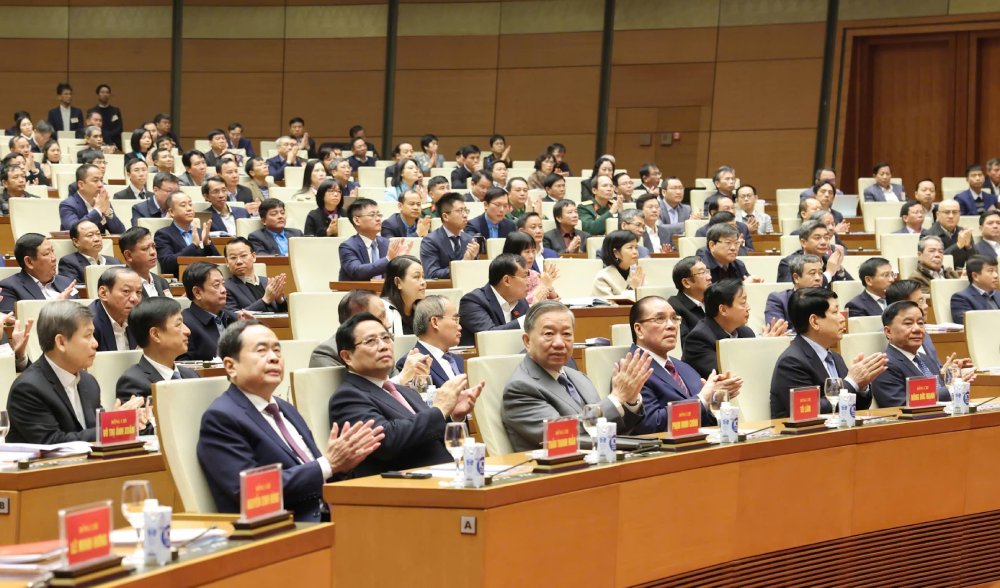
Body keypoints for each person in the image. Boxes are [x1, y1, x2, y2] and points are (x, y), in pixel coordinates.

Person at [198, 320, 384, 521]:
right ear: (230, 366)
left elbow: (317, 472)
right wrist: (328, 465)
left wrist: (342, 468)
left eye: (277, 350)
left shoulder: (285, 408)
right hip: (287, 527)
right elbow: (251, 493)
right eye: (261, 351)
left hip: (333, 514)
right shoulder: (222, 418)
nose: (274, 358)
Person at [327, 312, 481, 477]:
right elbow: (387, 441)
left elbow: (426, 431)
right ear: (347, 356)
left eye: (386, 338)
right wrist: (440, 410)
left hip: (447, 474)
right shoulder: (348, 397)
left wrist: (452, 415)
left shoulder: (404, 390)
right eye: (371, 341)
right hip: (405, 484)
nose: (384, 346)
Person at [502, 301, 650, 452]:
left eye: (566, 334)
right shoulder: (520, 388)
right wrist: (616, 399)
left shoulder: (579, 377)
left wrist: (629, 400)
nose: (559, 343)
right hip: (561, 465)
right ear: (527, 341)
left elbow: (608, 428)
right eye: (549, 334)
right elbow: (561, 435)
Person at [6, 301, 146, 444]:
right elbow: (52, 442)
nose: (95, 343)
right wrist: (110, 427)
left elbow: (95, 431)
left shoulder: (89, 382)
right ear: (61, 342)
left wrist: (120, 421)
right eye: (88, 336)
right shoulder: (28, 388)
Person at [769, 288, 887, 419]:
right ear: (814, 321)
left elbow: (857, 409)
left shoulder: (835, 357)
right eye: (835, 312)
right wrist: (852, 382)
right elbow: (809, 411)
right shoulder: (792, 362)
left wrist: (861, 386)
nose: (842, 318)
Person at [628, 296, 741, 432]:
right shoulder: (631, 372)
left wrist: (715, 400)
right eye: (660, 319)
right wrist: (702, 399)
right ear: (639, 330)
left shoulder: (685, 368)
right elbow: (651, 424)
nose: (671, 325)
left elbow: (705, 421)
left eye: (674, 318)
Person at [870, 301, 971, 408]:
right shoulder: (884, 365)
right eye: (908, 323)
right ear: (888, 332)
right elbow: (900, 406)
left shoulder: (926, 359)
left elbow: (938, 390)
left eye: (920, 323)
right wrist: (952, 388)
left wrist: (950, 378)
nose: (917, 329)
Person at [683, 279, 787, 379]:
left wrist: (768, 346)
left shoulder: (746, 332)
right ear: (723, 310)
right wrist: (761, 348)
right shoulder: (698, 339)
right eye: (743, 303)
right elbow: (729, 375)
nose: (748, 307)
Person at [115, 297, 199, 403]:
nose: (188, 331)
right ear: (155, 334)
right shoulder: (133, 383)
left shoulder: (191, 375)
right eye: (178, 324)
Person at [457, 254, 531, 346]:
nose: (529, 282)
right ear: (506, 280)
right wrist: (527, 320)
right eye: (524, 277)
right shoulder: (472, 301)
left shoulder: (521, 302)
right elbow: (489, 336)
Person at [0, 234, 78, 314]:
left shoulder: (67, 282)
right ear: (29, 262)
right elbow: (10, 320)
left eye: (52, 251)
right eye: (47, 253)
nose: (54, 258)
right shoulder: (9, 288)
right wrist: (55, 307)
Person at [398, 295, 464, 388]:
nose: (460, 327)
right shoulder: (414, 364)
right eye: (455, 320)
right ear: (435, 322)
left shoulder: (458, 360)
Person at [180, 261, 239, 361]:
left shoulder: (233, 318)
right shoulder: (184, 324)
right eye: (216, 285)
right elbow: (183, 366)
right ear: (197, 292)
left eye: (223, 284)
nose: (224, 290)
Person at [339, 198, 410, 280]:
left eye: (379, 215)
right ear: (357, 220)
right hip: (358, 288)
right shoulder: (348, 247)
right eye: (372, 215)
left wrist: (401, 260)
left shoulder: (387, 244)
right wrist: (388, 259)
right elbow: (357, 272)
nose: (378, 219)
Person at [153, 192, 220, 277]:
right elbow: (167, 264)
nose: (189, 209)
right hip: (180, 279)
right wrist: (193, 245)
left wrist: (207, 244)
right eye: (183, 205)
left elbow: (219, 262)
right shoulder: (163, 235)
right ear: (171, 212)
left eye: (190, 204)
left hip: (205, 278)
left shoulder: (201, 232)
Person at [420, 193, 478, 279]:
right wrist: (463, 264)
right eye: (460, 211)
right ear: (445, 217)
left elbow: (476, 271)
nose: (465, 215)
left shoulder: (470, 240)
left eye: (465, 210)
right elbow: (431, 274)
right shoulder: (430, 241)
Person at [776, 220, 852, 285]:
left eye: (826, 238)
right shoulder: (789, 263)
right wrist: (828, 274)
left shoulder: (829, 260)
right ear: (803, 242)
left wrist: (839, 269)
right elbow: (794, 293)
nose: (823, 242)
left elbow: (850, 287)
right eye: (817, 238)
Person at [224, 237, 287, 313]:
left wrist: (280, 300)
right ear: (227, 262)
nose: (239, 261)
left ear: (253, 257)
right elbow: (232, 316)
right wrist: (265, 300)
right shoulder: (225, 288)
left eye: (243, 255)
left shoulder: (267, 282)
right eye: (233, 257)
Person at [765, 254, 823, 334]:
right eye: (812, 273)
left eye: (820, 273)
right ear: (796, 278)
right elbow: (778, 331)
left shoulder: (827, 300)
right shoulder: (778, 300)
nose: (818, 278)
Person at [59, 164, 125, 234]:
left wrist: (108, 214)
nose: (100, 184)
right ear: (81, 185)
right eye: (95, 180)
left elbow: (121, 233)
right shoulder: (67, 205)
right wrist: (97, 211)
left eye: (101, 180)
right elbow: (74, 231)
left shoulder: (102, 201)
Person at [88, 267, 141, 352]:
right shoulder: (87, 324)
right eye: (126, 291)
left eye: (138, 292)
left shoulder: (140, 321)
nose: (135, 299)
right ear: (103, 293)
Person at [57, 219, 123, 283]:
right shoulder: (69, 263)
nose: (97, 239)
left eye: (98, 234)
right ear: (76, 242)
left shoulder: (115, 262)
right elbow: (72, 288)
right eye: (90, 235)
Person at [502, 232, 559, 304]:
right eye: (527, 252)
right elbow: (524, 303)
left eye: (533, 251)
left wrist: (548, 284)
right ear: (514, 253)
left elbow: (555, 298)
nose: (532, 256)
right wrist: (543, 284)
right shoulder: (508, 277)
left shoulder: (534, 274)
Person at [920, 199, 975, 270]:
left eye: (955, 212)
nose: (951, 216)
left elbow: (976, 261)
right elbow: (935, 260)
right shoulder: (927, 235)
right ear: (938, 215)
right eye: (947, 212)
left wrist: (969, 247)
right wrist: (958, 245)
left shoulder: (964, 233)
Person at [119, 226, 172, 299]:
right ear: (128, 255)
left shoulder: (162, 282)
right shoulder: (122, 285)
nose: (153, 252)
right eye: (145, 248)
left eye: (153, 246)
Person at [668, 256, 711, 343]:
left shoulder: (714, 300)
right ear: (686, 282)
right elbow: (685, 343)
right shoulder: (673, 307)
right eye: (702, 272)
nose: (709, 277)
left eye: (707, 271)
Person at [381, 256, 425, 336]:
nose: (423, 282)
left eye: (423, 276)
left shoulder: (423, 310)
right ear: (398, 282)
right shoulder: (384, 311)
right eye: (416, 277)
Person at [593, 230, 645, 298]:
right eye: (630, 248)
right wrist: (632, 288)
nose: (635, 252)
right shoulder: (602, 278)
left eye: (636, 247)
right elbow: (608, 304)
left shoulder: (636, 275)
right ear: (616, 253)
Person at [950, 255, 1000, 325]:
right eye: (990, 271)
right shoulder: (960, 299)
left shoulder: (998, 294)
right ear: (975, 276)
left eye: (996, 271)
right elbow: (970, 325)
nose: (996, 275)